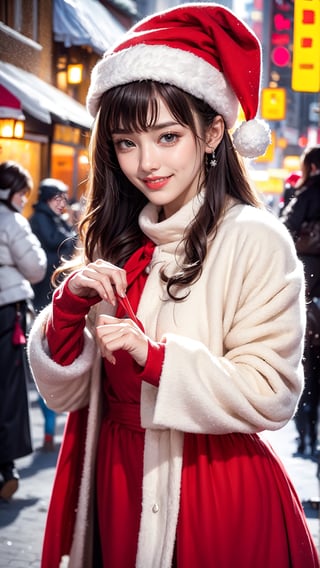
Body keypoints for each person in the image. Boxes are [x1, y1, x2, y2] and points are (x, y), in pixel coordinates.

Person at [27, 4, 319, 567]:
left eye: (167, 136)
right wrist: (67, 308)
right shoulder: (116, 235)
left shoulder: (255, 239)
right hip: (113, 475)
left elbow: (272, 392)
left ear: (213, 133)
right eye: (126, 142)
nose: (146, 162)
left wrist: (154, 357)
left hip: (211, 488)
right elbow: (66, 394)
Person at [0, 161, 47, 500]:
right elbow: (35, 267)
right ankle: (6, 467)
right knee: (9, 387)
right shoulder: (12, 221)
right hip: (6, 314)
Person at [29, 178, 77, 451]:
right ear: (50, 197)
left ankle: (51, 425)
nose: (63, 201)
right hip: (44, 293)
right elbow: (57, 244)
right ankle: (50, 425)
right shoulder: (40, 219)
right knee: (47, 355)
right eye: (59, 197)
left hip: (54, 292)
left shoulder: (54, 217)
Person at [281, 146, 320, 456]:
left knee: (308, 369)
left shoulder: (306, 194)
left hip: (310, 288)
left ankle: (306, 437)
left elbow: (284, 230)